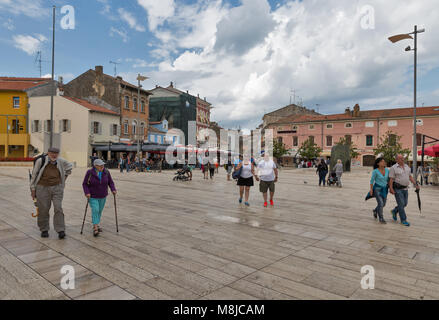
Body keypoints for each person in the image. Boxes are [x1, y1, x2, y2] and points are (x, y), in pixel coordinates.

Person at [30, 148, 73, 239]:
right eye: (52, 153)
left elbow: (70, 166)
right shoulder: (40, 161)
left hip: (57, 188)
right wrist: (33, 189)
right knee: (43, 209)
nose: (54, 155)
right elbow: (34, 175)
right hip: (42, 187)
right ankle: (44, 229)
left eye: (56, 153)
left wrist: (64, 179)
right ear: (48, 153)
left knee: (58, 208)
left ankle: (61, 230)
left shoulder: (61, 161)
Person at [82, 159, 117, 237]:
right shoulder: (90, 172)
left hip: (103, 195)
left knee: (99, 211)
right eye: (100, 165)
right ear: (95, 166)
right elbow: (84, 184)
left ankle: (96, 224)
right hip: (92, 196)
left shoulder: (106, 172)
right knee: (95, 210)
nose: (102, 166)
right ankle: (95, 228)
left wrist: (113, 189)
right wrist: (87, 192)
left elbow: (110, 182)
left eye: (103, 165)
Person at [389, 154, 420, 227]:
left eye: (402, 158)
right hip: (397, 189)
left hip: (406, 188)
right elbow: (391, 179)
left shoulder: (407, 167)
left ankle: (394, 211)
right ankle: (403, 220)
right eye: (400, 158)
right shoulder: (393, 168)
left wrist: (415, 184)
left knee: (404, 204)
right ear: (396, 160)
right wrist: (391, 188)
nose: (402, 159)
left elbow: (410, 177)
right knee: (401, 204)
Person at [369, 157, 389, 224]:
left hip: (385, 189)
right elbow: (372, 181)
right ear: (378, 163)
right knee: (380, 203)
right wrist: (371, 189)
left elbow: (388, 180)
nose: (384, 162)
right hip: (377, 189)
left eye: (384, 161)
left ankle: (375, 210)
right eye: (382, 161)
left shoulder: (387, 170)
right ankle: (381, 218)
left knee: (383, 204)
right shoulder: (375, 171)